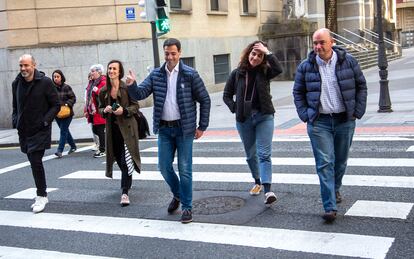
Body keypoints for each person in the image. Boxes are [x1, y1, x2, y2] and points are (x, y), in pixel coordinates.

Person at [127, 38, 211, 223]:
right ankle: (178, 194)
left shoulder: (190, 74)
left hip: (184, 129)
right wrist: (132, 84)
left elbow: (205, 99)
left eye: (173, 53)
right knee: (164, 167)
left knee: (185, 169)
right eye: (167, 53)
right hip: (165, 129)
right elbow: (140, 94)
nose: (170, 57)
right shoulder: (156, 74)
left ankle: (187, 208)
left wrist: (202, 126)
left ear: (180, 53)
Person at [293, 28, 367, 222]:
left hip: (344, 120)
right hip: (319, 122)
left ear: (332, 42)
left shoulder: (348, 61)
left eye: (322, 42)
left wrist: (357, 112)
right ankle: (330, 206)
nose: (318, 47)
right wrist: (305, 115)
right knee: (325, 163)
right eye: (315, 43)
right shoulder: (305, 66)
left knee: (340, 161)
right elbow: (298, 92)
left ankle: (334, 189)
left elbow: (361, 86)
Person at [223, 40, 282, 206]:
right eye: (253, 53)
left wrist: (267, 52)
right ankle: (257, 180)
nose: (255, 57)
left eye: (259, 55)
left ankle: (268, 190)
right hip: (244, 119)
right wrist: (236, 108)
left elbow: (279, 69)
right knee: (250, 155)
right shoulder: (237, 73)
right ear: (248, 53)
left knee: (264, 154)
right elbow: (226, 95)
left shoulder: (265, 72)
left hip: (264, 117)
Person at [12, 54, 60, 213]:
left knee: (35, 160)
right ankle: (42, 193)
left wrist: (45, 122)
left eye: (26, 65)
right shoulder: (16, 83)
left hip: (40, 129)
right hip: (24, 130)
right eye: (21, 66)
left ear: (33, 65)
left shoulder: (45, 82)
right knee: (33, 160)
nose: (23, 69)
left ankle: (41, 195)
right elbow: (15, 106)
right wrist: (15, 121)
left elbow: (56, 105)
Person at [98, 60, 141, 206]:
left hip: (128, 130)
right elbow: (100, 108)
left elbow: (136, 106)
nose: (111, 71)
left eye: (114, 69)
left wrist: (125, 111)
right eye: (109, 68)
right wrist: (105, 110)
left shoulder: (126, 88)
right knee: (119, 160)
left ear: (120, 71)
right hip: (113, 131)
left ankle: (124, 192)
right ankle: (127, 179)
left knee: (125, 160)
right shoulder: (103, 90)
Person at [52, 69, 77, 158]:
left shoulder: (66, 87)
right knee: (65, 130)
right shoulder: (52, 88)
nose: (56, 78)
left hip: (67, 113)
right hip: (57, 114)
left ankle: (59, 150)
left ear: (61, 77)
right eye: (54, 77)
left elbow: (73, 98)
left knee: (63, 131)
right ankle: (73, 146)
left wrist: (66, 104)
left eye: (57, 76)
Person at [84, 64, 106, 157]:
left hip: (99, 110)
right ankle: (104, 146)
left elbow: (105, 94)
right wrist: (86, 109)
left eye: (93, 71)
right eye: (91, 71)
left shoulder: (103, 81)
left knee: (100, 131)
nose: (91, 73)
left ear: (99, 72)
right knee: (96, 130)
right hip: (92, 111)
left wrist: (97, 91)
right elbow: (88, 97)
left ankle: (102, 150)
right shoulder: (91, 82)